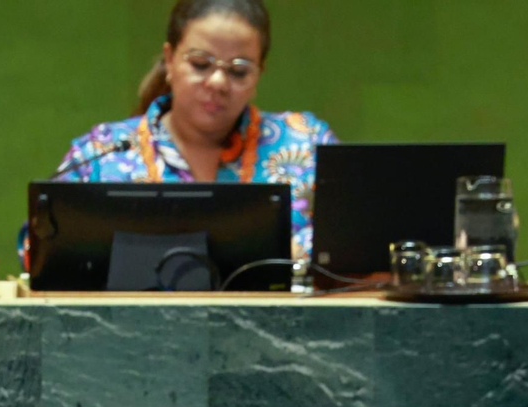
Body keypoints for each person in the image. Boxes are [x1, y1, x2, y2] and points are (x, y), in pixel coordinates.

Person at [33, 0, 337, 262]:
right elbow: (38, 248)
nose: (218, 82)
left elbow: (357, 247)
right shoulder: (103, 152)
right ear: (169, 60)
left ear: (258, 75)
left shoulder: (306, 143)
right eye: (201, 64)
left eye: (238, 70)